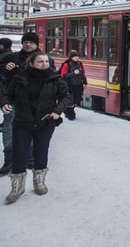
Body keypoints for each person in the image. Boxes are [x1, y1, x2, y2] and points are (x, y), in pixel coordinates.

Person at [1, 51, 71, 204]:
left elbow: (66, 96)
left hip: (45, 122)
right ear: (31, 63)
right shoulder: (19, 78)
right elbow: (8, 94)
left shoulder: (55, 79)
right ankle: (17, 186)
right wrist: (5, 103)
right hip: (22, 122)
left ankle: (39, 181)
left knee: (41, 151)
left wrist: (57, 112)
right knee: (19, 153)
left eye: (46, 61)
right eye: (40, 61)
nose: (44, 64)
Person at [0, 32, 53, 176]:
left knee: (33, 130)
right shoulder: (10, 58)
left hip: (37, 103)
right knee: (10, 130)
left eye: (31, 42)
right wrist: (5, 70)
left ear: (37, 44)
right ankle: (9, 160)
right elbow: (3, 80)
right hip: (15, 100)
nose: (28, 44)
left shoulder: (45, 59)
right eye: (25, 42)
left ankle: (29, 158)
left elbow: (53, 79)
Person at [58, 50, 88, 120]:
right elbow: (63, 76)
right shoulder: (67, 64)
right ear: (71, 57)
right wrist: (73, 73)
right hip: (69, 86)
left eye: (78, 56)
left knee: (77, 100)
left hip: (78, 85)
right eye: (75, 56)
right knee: (70, 101)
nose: (77, 57)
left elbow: (83, 74)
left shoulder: (80, 64)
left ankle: (68, 112)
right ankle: (70, 114)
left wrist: (85, 82)